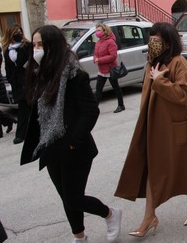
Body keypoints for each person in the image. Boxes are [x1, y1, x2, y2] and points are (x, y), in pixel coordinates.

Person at [20, 25, 121, 243]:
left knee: (73, 197)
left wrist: (72, 142)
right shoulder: (40, 74)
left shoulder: (73, 74)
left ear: (53, 47)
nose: (36, 50)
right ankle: (80, 237)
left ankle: (110, 214)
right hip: (50, 144)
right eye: (34, 45)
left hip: (75, 146)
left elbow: (90, 111)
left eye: (41, 45)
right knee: (65, 197)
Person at [115, 22, 187, 236]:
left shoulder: (180, 63)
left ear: (168, 43)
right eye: (150, 39)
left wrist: (161, 82)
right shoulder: (152, 62)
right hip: (155, 127)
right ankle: (149, 217)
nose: (151, 43)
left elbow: (184, 95)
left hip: (179, 125)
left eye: (156, 40)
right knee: (153, 168)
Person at [2, 25, 32, 144]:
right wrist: (10, 79)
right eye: (16, 32)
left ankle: (28, 133)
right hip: (16, 85)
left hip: (28, 82)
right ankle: (21, 134)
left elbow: (32, 62)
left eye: (20, 31)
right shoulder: (7, 50)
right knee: (23, 108)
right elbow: (8, 67)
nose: (19, 33)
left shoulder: (27, 46)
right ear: (11, 34)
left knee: (30, 107)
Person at [93, 23, 125, 113]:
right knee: (98, 89)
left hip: (110, 69)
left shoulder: (111, 42)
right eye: (96, 30)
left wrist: (99, 60)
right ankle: (94, 109)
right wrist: (94, 58)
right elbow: (95, 53)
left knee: (116, 88)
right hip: (101, 70)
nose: (97, 32)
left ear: (105, 31)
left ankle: (121, 105)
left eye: (99, 30)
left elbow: (113, 56)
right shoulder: (98, 42)